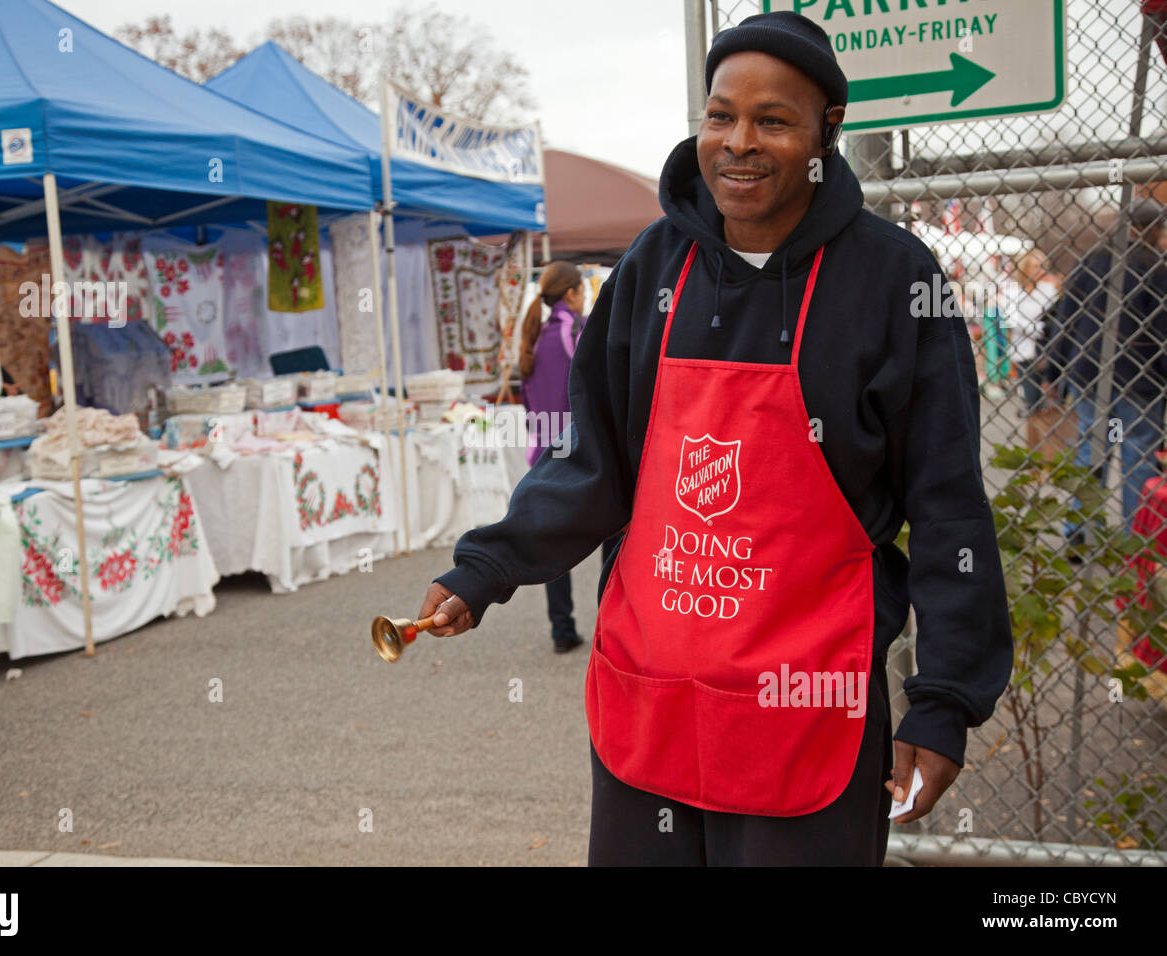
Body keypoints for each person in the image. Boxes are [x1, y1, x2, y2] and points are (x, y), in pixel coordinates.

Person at [416, 11, 1011, 865]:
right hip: (651, 699)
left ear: (826, 134)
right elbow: (595, 464)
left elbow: (948, 504)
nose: (739, 141)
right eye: (720, 115)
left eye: (774, 119)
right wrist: (489, 566)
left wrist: (943, 701)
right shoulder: (652, 270)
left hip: (808, 712)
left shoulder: (894, 281)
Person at [1049, 198, 1167, 537]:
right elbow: (1162, 329)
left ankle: (1079, 530)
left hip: (1090, 372)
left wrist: (1053, 372)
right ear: (1151, 229)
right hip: (1139, 378)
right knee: (1137, 459)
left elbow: (1066, 317)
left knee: (1092, 451)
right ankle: (1135, 538)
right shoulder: (1156, 265)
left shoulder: (1092, 261)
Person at [518, 260, 596, 653]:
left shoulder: (533, 338)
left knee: (553, 546)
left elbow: (531, 407)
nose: (584, 299)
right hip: (583, 453)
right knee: (611, 538)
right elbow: (596, 391)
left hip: (545, 456)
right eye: (582, 291)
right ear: (570, 294)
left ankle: (561, 630)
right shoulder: (577, 332)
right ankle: (611, 633)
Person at [1002, 249, 1060, 418]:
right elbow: (1012, 320)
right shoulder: (1012, 291)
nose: (1041, 270)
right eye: (1036, 266)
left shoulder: (1048, 289)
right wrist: (1040, 329)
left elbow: (1055, 316)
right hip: (1024, 351)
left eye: (1043, 266)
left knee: (1050, 402)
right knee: (1031, 396)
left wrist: (1040, 327)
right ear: (1025, 268)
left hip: (1047, 351)